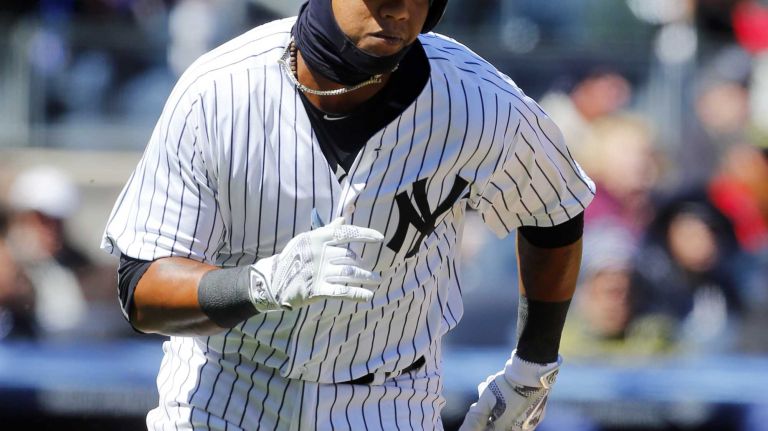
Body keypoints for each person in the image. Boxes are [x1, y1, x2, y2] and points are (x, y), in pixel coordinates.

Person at [101, 0, 594, 429]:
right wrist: (259, 284)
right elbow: (141, 288)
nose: (400, 9)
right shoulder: (219, 91)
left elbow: (555, 209)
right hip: (225, 393)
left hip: (388, 400)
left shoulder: (477, 101)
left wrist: (532, 371)